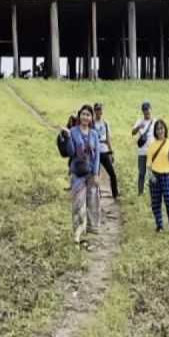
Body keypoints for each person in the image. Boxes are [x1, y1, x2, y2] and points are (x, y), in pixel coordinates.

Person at [62, 104, 101, 246]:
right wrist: (67, 138)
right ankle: (77, 234)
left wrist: (96, 174)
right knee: (78, 204)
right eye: (83, 114)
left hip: (90, 173)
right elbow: (71, 153)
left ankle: (89, 230)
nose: (85, 117)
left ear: (91, 118)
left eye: (88, 115)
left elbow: (97, 156)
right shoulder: (73, 131)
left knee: (91, 202)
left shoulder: (95, 134)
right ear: (79, 116)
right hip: (77, 173)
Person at [146, 119, 169, 236]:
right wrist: (151, 176)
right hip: (155, 176)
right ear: (155, 131)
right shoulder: (151, 146)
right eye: (158, 129)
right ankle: (159, 225)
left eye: (162, 128)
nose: (160, 131)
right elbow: (148, 164)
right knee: (156, 203)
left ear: (165, 130)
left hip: (167, 176)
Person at [93, 103, 119, 199]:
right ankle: (96, 194)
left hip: (104, 151)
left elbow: (108, 138)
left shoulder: (105, 123)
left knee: (112, 173)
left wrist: (111, 152)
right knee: (96, 174)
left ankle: (115, 194)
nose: (99, 112)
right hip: (95, 152)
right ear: (94, 111)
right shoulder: (92, 123)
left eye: (100, 109)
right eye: (97, 109)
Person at [131, 101, 156, 196]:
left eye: (148, 109)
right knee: (141, 173)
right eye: (144, 110)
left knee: (151, 173)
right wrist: (138, 127)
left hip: (152, 152)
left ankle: (153, 192)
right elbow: (133, 132)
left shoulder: (155, 121)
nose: (146, 111)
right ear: (142, 111)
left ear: (151, 109)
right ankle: (140, 193)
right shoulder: (139, 121)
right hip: (142, 152)